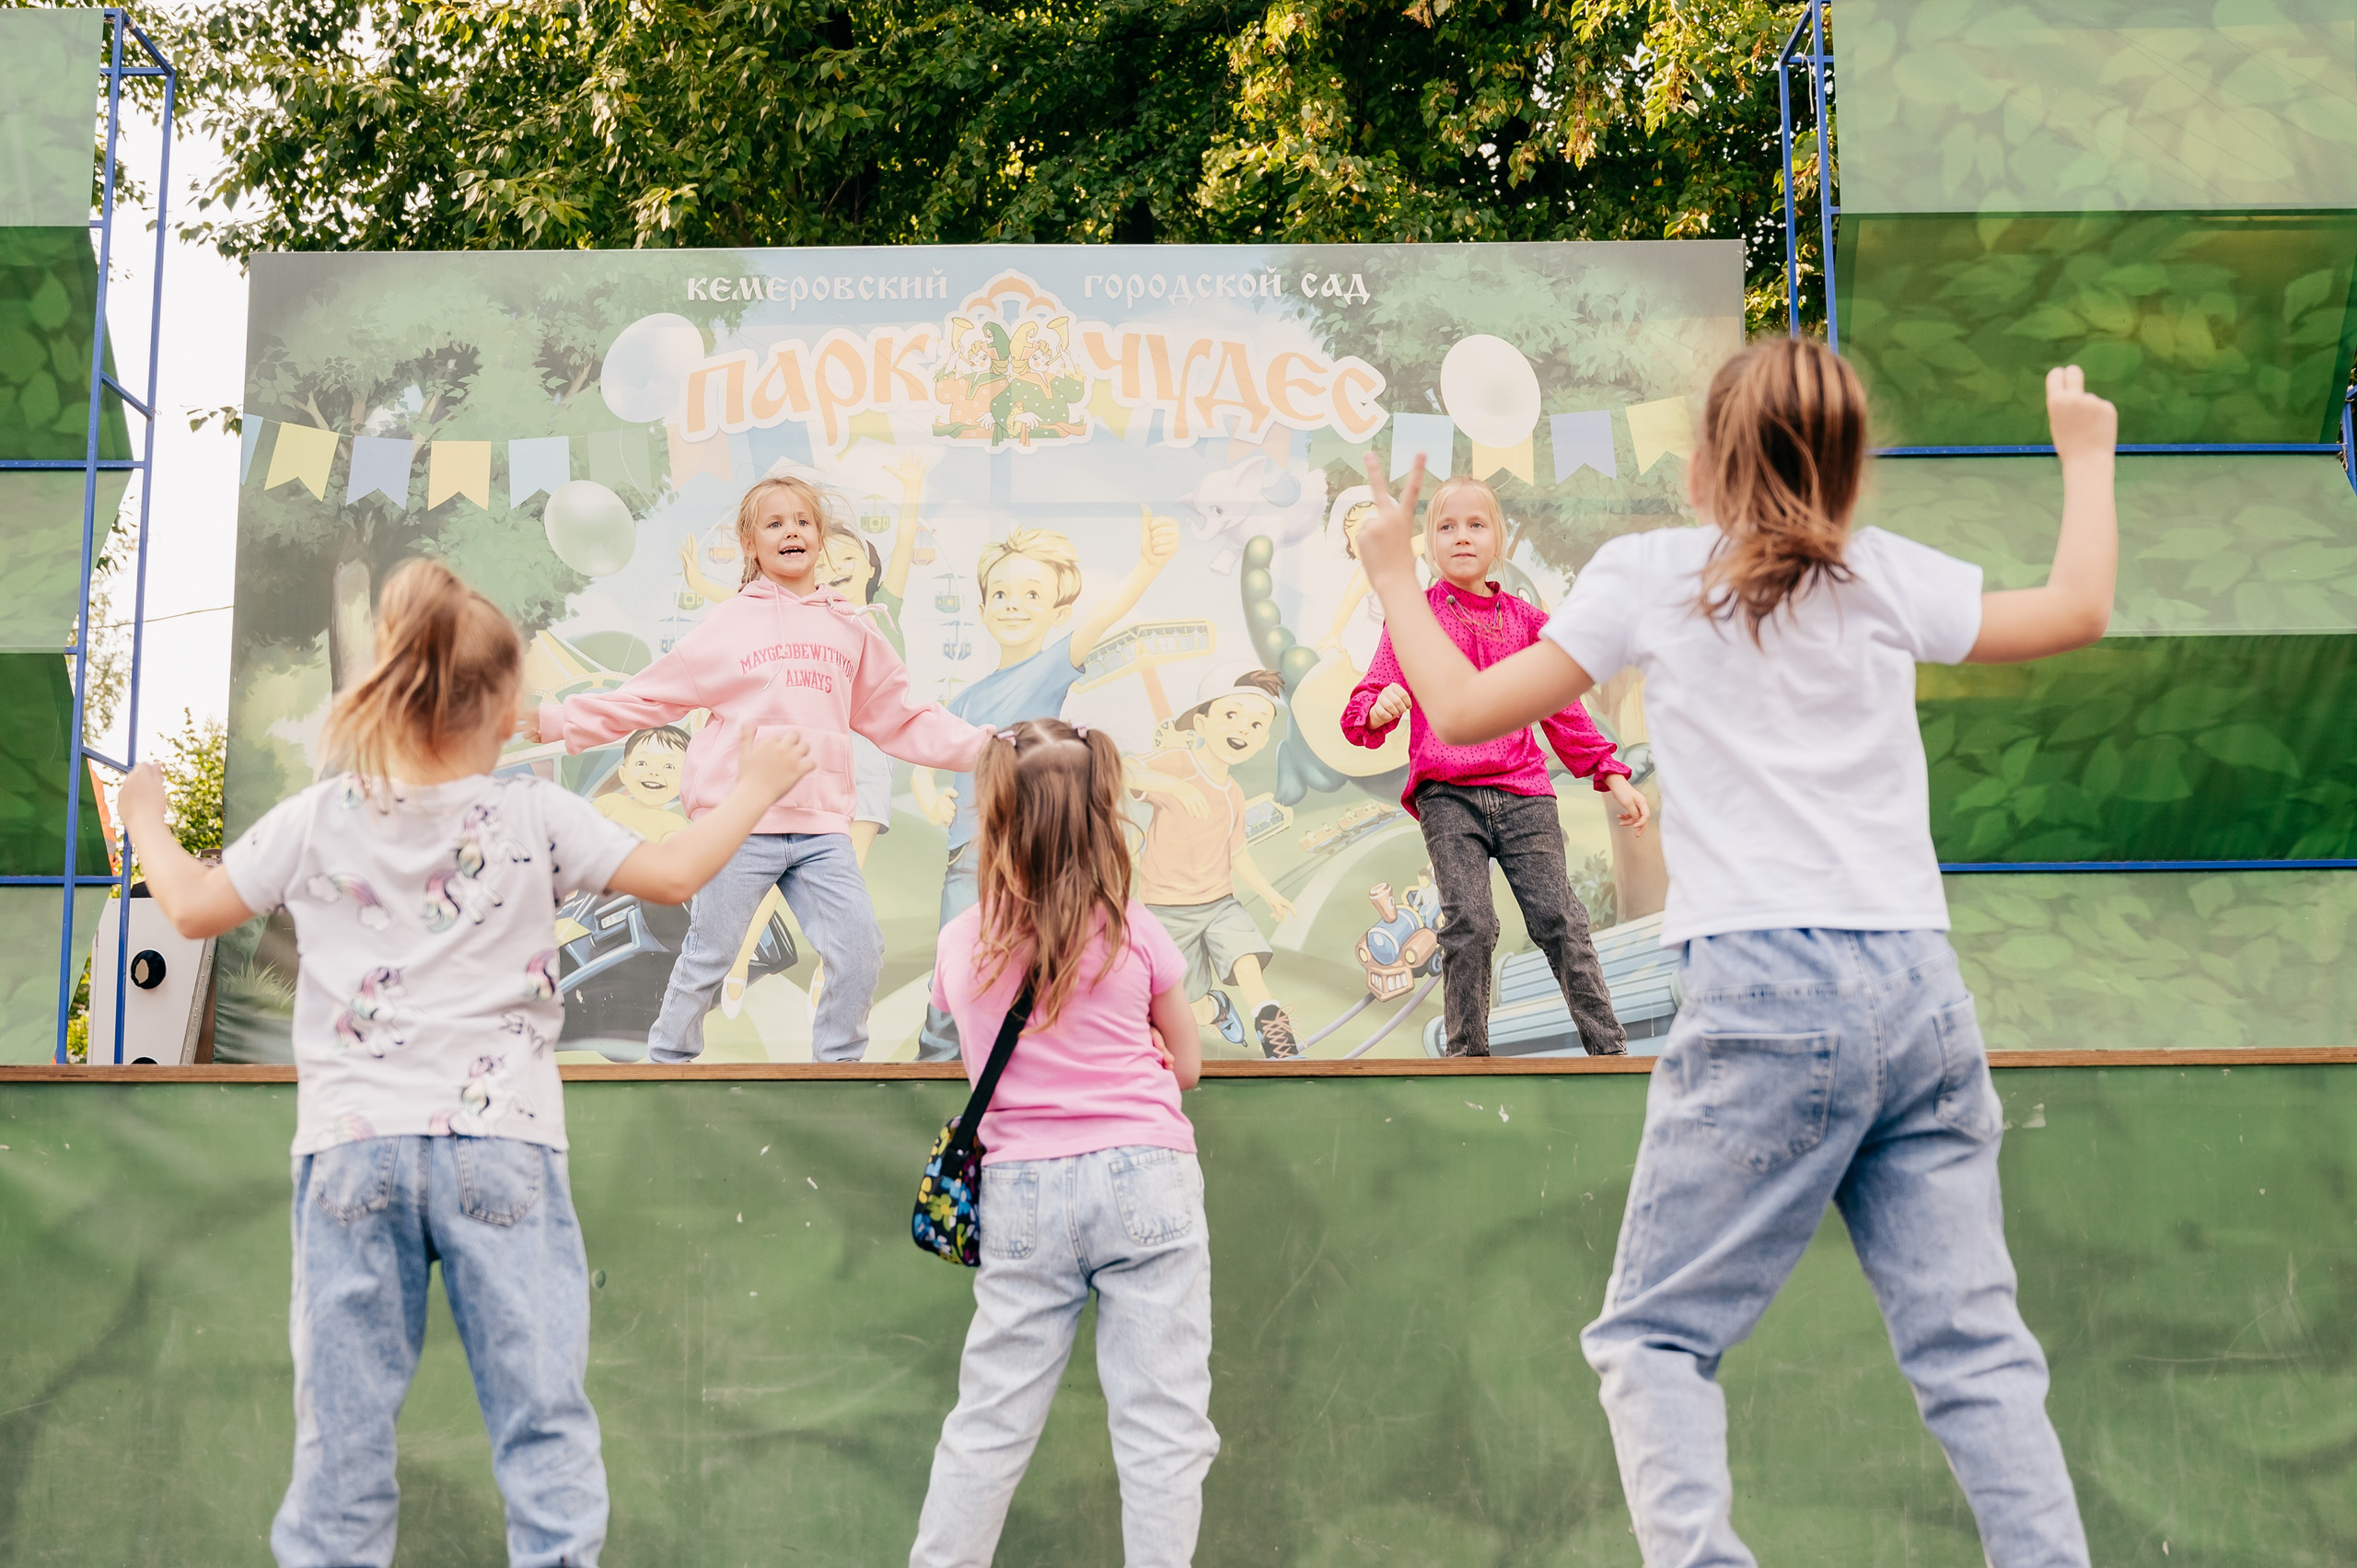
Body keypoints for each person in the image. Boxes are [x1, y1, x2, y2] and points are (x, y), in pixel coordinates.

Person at [1353, 342, 2116, 1567]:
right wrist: (2086, 452)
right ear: (1848, 471)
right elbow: (2076, 608)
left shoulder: (1653, 574)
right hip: (1918, 987)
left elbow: (1460, 709)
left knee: (1651, 1339)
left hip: (1764, 990)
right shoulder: (1882, 573)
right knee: (1974, 1350)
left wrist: (1395, 572)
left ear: (1703, 464)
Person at [116, 558, 815, 1568]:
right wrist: (755, 786)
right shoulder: (534, 813)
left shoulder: (321, 815)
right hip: (502, 1144)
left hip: (354, 1148)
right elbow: (671, 874)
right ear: (497, 706)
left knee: (342, 1434)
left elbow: (188, 906)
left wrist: (145, 811)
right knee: (542, 1418)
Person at [537, 472, 987, 1063]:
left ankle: (839, 1067)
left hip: (821, 830)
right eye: (775, 523)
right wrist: (556, 721)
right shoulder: (730, 625)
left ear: (820, 537)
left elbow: (901, 717)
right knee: (710, 955)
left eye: (802, 521)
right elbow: (649, 697)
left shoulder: (852, 627)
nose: (791, 531)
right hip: (738, 824)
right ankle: (667, 1061)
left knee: (859, 949)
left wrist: (988, 747)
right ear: (751, 544)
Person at [911, 718, 1215, 1568]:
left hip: (1021, 1189)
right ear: (1102, 810)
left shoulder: (961, 939)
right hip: (1147, 1177)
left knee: (988, 1425)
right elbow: (1188, 1065)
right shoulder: (1135, 929)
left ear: (995, 813)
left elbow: (969, 1041)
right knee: (1163, 1428)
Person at [1341, 474, 1652, 1057]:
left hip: (1524, 793)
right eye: (1446, 527)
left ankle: (1609, 1051)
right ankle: (1465, 1055)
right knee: (1471, 924)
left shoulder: (1529, 623)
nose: (1462, 537)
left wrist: (1611, 774)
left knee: (1560, 919)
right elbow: (1370, 695)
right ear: (1430, 542)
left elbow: (1563, 708)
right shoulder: (1414, 619)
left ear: (1498, 539)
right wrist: (1378, 708)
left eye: (1476, 525)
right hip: (1448, 794)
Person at [911, 512, 1179, 1058]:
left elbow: (1104, 616)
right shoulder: (966, 697)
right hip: (968, 856)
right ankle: (936, 1060)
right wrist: (930, 795)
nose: (1013, 605)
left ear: (1058, 612)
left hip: (1030, 853)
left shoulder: (1053, 665)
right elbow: (924, 756)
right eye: (1001, 594)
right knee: (953, 964)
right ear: (983, 610)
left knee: (1033, 963)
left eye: (1031, 594)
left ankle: (1029, 1062)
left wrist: (1148, 567)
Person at [1125, 667, 1302, 1059]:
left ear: (1262, 741)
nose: (1243, 729)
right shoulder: (1177, 761)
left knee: (1245, 959)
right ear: (1202, 722)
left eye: (1257, 724)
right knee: (1190, 1005)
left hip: (1220, 903)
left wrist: (1269, 893)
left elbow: (1236, 852)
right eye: (1231, 714)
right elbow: (1120, 770)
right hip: (1166, 910)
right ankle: (1216, 1009)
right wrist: (1174, 785)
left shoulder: (1233, 793)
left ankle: (1277, 1038)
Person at [594, 725, 691, 842]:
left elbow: (670, 850)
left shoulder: (674, 823)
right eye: (642, 763)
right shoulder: (610, 802)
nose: (654, 772)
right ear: (623, 774)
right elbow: (584, 824)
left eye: (669, 766)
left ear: (684, 781)